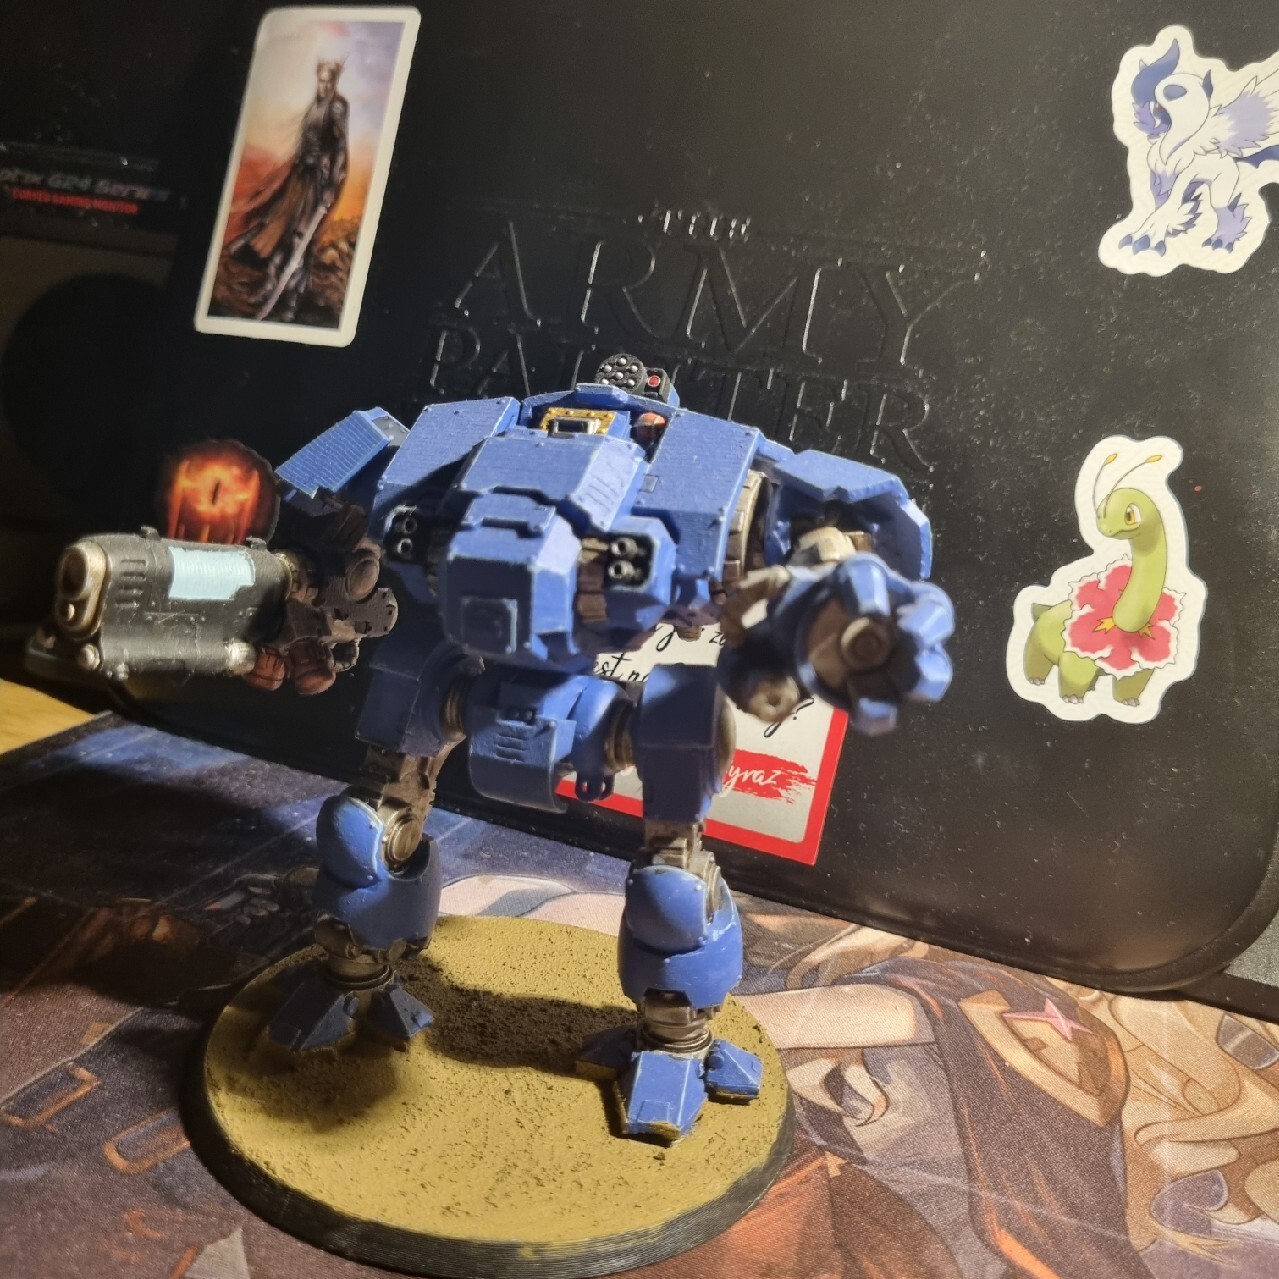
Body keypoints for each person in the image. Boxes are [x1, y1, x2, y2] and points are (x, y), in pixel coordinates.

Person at [225, 59, 349, 322]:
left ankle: (293, 299)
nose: (324, 86)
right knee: (281, 231)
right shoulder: (314, 105)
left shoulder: (337, 107)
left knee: (300, 238)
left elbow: (339, 150)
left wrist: (331, 186)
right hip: (299, 178)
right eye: (321, 81)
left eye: (329, 82)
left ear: (335, 81)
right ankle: (270, 287)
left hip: (317, 183)